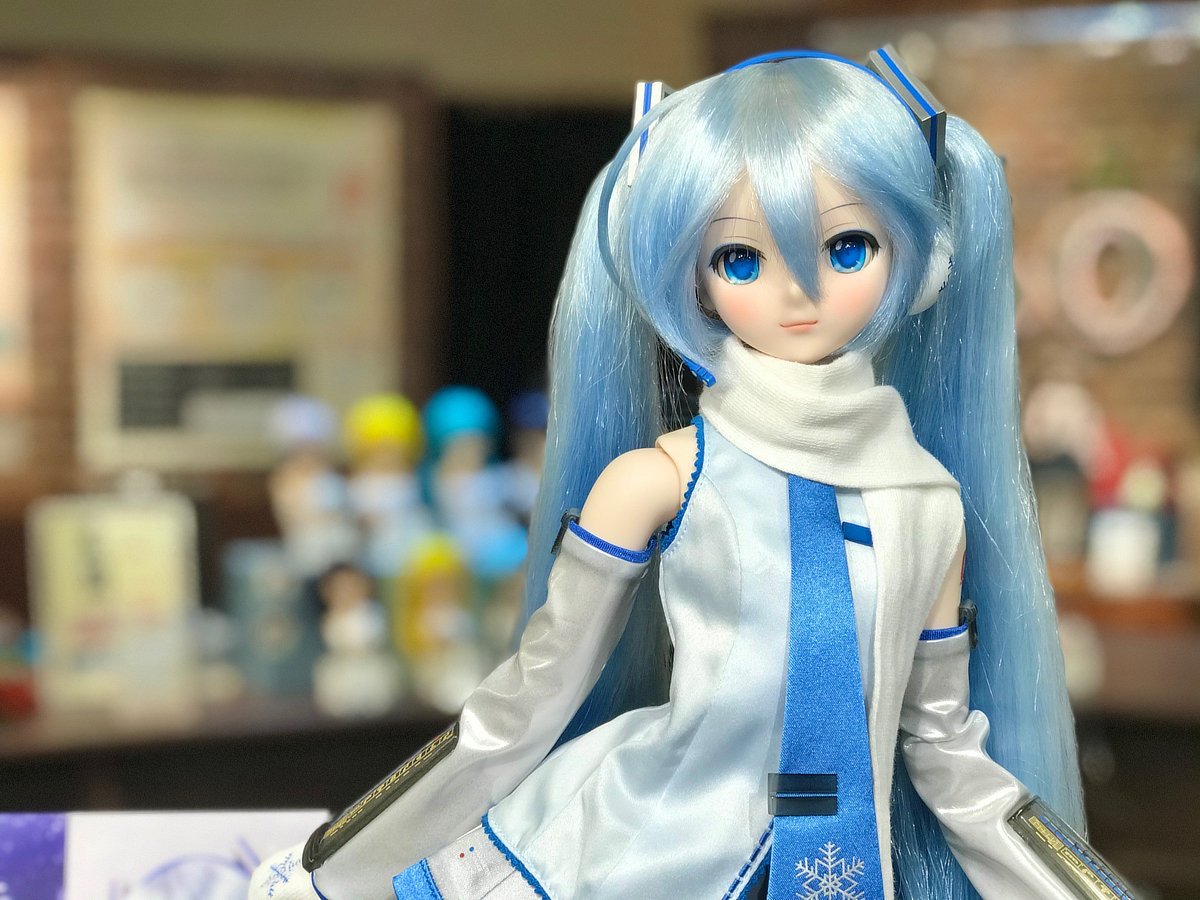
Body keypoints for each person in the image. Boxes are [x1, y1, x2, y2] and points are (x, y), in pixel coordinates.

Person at [251, 49, 1126, 900]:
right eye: (742, 258)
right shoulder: (662, 478)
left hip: (854, 869)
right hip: (643, 853)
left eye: (849, 246)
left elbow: (945, 756)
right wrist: (338, 870)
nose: (798, 292)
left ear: (920, 262)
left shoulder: (926, 505)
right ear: (696, 281)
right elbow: (521, 709)